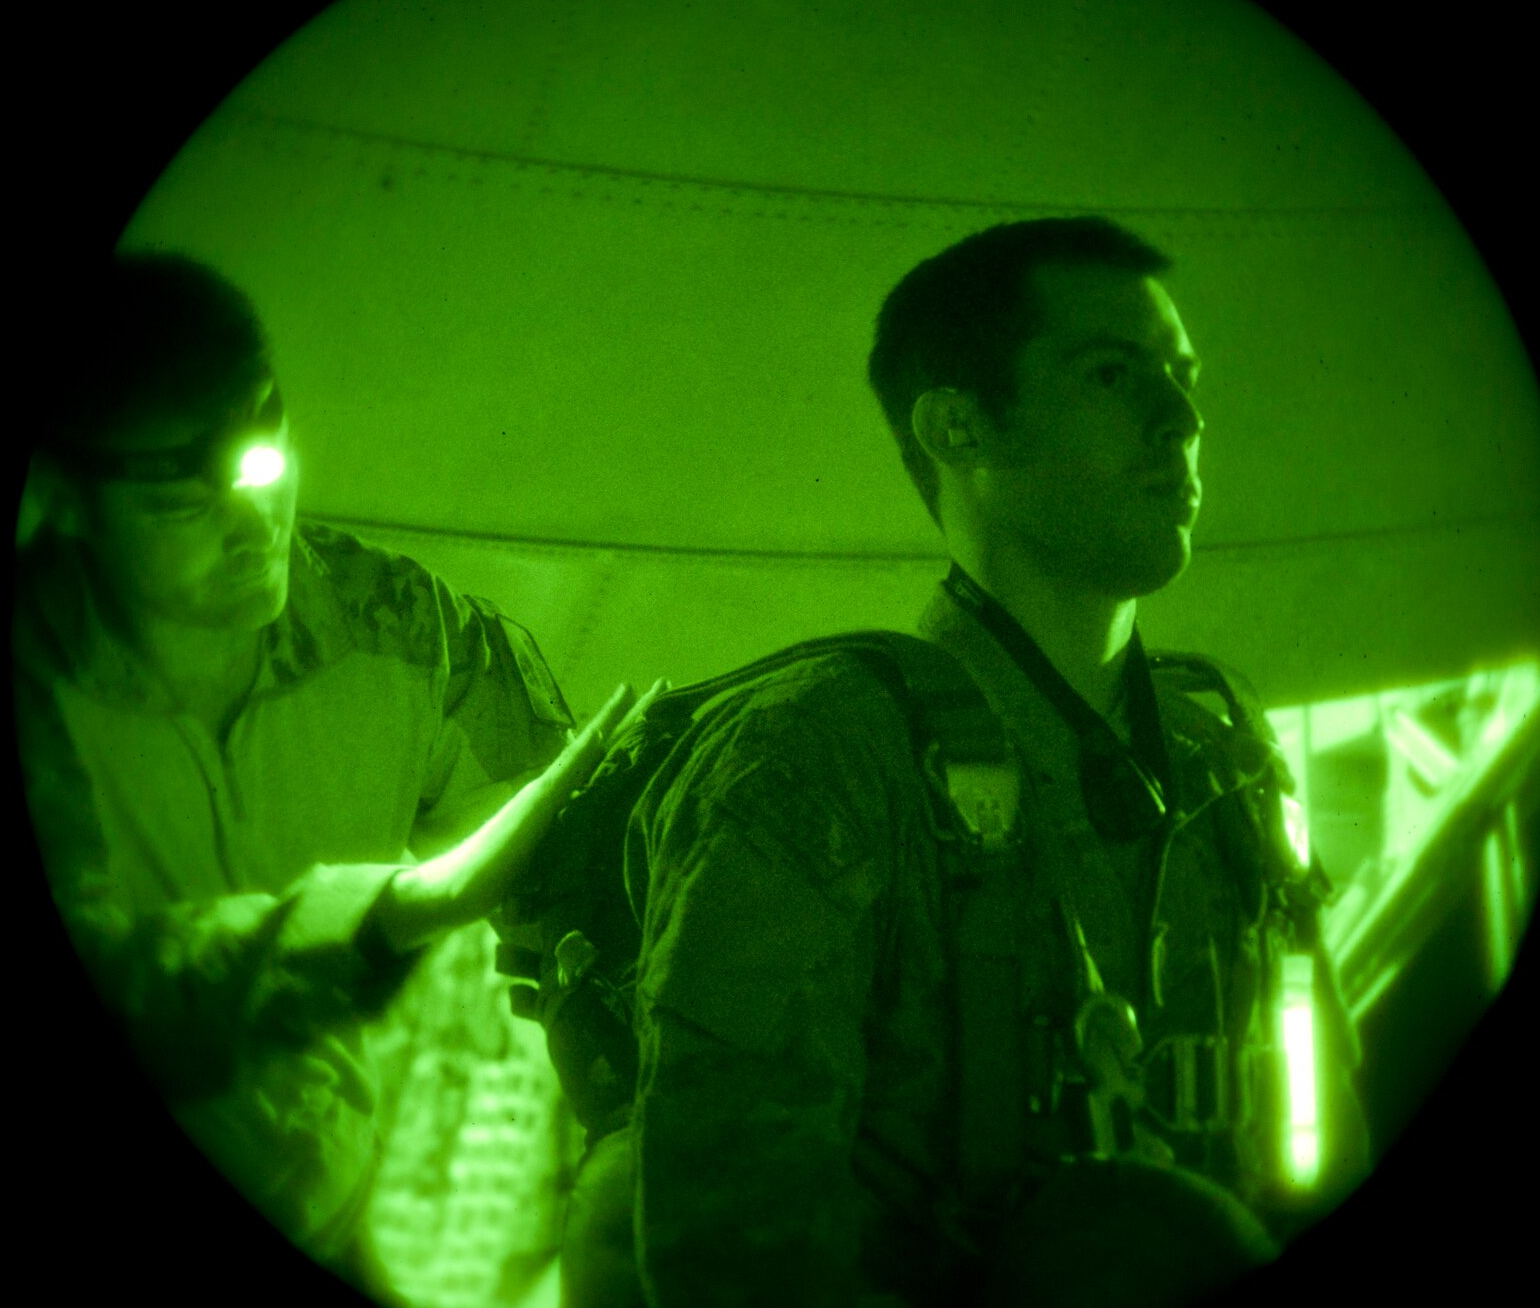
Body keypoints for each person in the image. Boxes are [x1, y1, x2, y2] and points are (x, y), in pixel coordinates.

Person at [579, 218, 1368, 1307]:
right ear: (956, 425)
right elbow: (737, 1258)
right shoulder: (815, 761)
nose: (1181, 418)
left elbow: (1317, 1142)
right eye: (1111, 373)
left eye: (1182, 378)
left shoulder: (1221, 752)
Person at [11, 253, 643, 1302]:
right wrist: (392, 911)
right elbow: (121, 985)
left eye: (265, 463)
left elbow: (584, 876)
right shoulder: (32, 681)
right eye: (180, 505)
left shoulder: (403, 631)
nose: (253, 526)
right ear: (61, 500)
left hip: (338, 1208)